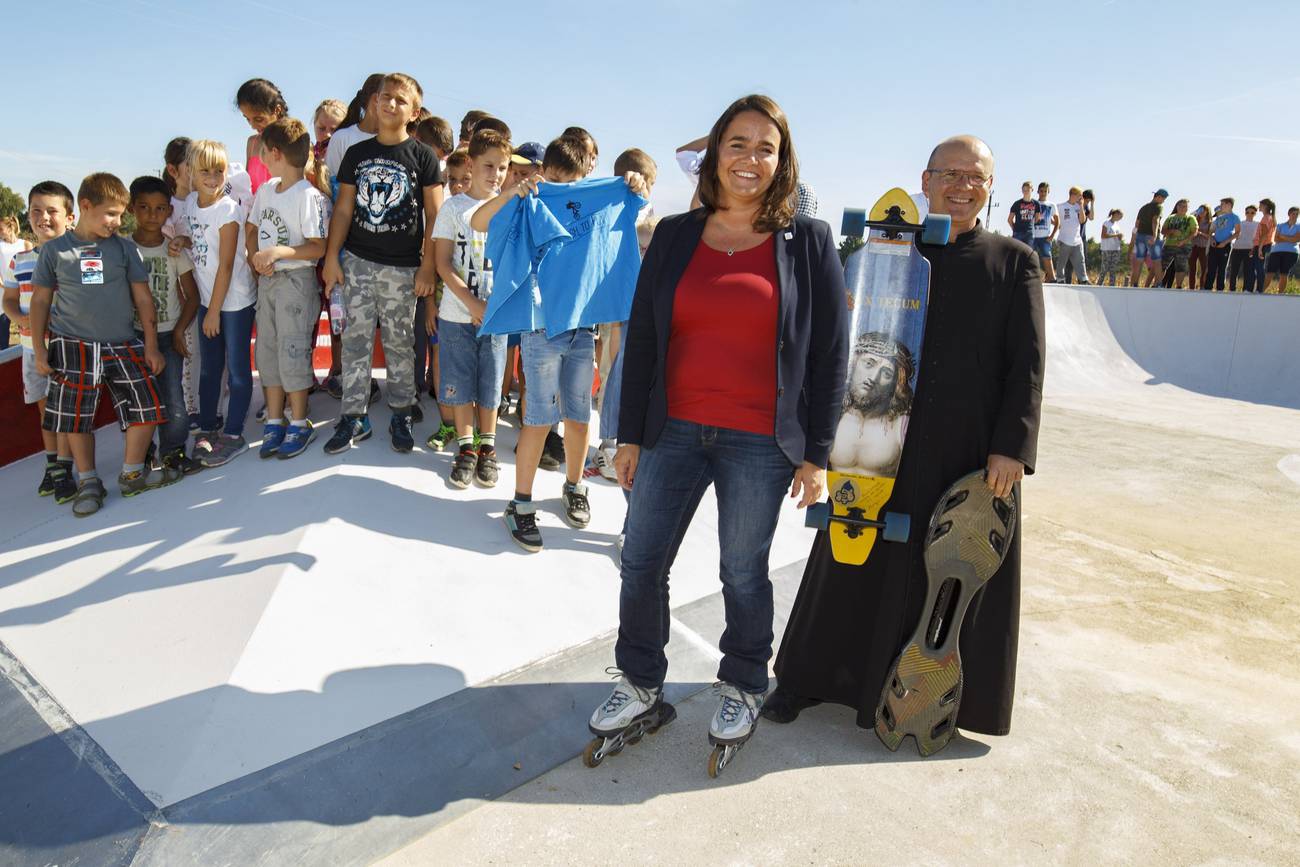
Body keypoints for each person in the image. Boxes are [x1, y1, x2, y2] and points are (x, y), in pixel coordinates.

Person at [586, 94, 849, 758]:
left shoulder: (808, 241)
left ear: (783, 161)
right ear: (715, 153)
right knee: (641, 561)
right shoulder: (676, 234)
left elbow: (829, 355)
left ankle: (743, 682)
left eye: (766, 147)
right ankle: (640, 681)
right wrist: (628, 435)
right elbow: (644, 341)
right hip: (672, 431)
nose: (750, 158)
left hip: (760, 441)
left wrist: (817, 454)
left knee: (742, 570)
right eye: (738, 144)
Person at [763, 133, 1045, 748]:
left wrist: (1012, 447)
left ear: (990, 187)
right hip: (879, 434)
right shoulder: (890, 250)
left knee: (945, 573)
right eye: (949, 174)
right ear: (926, 180)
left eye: (975, 177)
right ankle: (807, 679)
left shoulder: (1013, 260)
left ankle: (935, 697)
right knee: (849, 557)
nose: (962, 186)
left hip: (965, 446)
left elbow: (1027, 363)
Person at [469, 136, 607, 549]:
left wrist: (634, 185)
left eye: (571, 184)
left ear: (585, 177)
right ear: (544, 173)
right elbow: (479, 222)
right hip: (540, 329)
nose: (562, 191)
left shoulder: (592, 202)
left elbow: (631, 219)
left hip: (582, 328)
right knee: (539, 419)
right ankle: (520, 502)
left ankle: (575, 485)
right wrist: (513, 192)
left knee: (579, 416)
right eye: (555, 182)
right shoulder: (528, 199)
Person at [29, 173, 178, 516]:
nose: (117, 222)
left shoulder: (125, 249)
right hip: (72, 345)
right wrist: (39, 349)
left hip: (123, 342)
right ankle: (88, 481)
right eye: (110, 214)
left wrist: (151, 346)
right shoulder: (54, 251)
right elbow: (39, 302)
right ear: (85, 206)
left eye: (120, 215)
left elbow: (143, 299)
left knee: (147, 407)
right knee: (76, 418)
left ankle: (132, 474)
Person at [322, 72, 444, 455]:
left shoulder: (423, 157)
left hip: (403, 268)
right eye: (385, 96)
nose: (390, 104)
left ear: (414, 112)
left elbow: (435, 215)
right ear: (374, 101)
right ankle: (352, 416)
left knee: (400, 343)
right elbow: (343, 209)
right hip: (357, 263)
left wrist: (428, 267)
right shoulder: (357, 154)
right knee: (355, 341)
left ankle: (401, 412)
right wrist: (332, 257)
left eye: (400, 100)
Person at [429, 129, 511, 488]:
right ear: (471, 165)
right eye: (489, 166)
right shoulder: (453, 207)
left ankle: (487, 448)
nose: (496, 174)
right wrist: (472, 302)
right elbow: (442, 263)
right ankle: (465, 447)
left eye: (503, 168)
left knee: (491, 384)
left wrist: (493, 306)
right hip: (456, 315)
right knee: (459, 383)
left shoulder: (510, 208)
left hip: (496, 318)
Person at [246, 117, 331, 459]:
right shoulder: (266, 190)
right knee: (267, 352)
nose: (261, 158)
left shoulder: (308, 196)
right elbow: (252, 228)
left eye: (263, 152)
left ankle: (299, 421)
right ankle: (275, 420)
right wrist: (255, 257)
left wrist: (279, 252)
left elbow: (317, 247)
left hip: (296, 283)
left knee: (292, 350)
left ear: (275, 153)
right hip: (268, 283)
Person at [170, 140, 258, 467]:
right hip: (210, 301)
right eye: (204, 171)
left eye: (218, 171)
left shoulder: (229, 210)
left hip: (233, 302)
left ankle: (233, 435)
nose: (212, 177)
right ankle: (207, 428)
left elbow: (226, 265)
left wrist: (213, 312)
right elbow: (200, 240)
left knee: (237, 370)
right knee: (209, 370)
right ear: (191, 173)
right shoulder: (192, 203)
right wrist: (183, 240)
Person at [1, 182, 75, 501]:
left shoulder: (76, 256)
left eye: (51, 210)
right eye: (36, 210)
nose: (43, 217)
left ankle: (67, 468)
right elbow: (9, 300)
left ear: (70, 218)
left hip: (68, 349)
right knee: (46, 411)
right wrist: (20, 320)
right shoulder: (19, 260)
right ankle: (53, 464)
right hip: (32, 350)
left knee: (67, 412)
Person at [127, 176, 201, 474]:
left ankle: (173, 452)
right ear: (131, 208)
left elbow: (192, 297)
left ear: (169, 211)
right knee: (137, 400)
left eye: (160, 208)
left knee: (173, 399)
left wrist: (180, 330)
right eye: (144, 207)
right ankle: (143, 453)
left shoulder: (174, 250)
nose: (152, 215)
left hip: (169, 335)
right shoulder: (122, 249)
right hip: (130, 337)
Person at [235, 78, 289, 194]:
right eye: (247, 119)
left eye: (259, 119)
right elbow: (247, 189)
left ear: (277, 110)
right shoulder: (252, 143)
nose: (253, 126)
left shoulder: (292, 141)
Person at [0, 216, 33, 350]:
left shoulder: (25, 244)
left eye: (1, 229)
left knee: (26, 323)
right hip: (4, 290)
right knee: (3, 326)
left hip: (24, 290)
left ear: (10, 228)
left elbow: (31, 266)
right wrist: (5, 285)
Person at [1131, 189, 1167, 287]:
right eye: (1163, 198)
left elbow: (1137, 223)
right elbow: (1155, 220)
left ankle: (1135, 285)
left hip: (1140, 236)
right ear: (1158, 197)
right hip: (1151, 236)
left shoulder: (1143, 208)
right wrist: (1154, 235)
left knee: (1139, 261)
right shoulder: (1158, 207)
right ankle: (1159, 285)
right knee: (1157, 261)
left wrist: (1135, 236)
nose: (1164, 201)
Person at [1159, 199, 1198, 289]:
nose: (1183, 208)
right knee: (1162, 265)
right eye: (1181, 206)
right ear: (1177, 206)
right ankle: (1158, 284)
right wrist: (1171, 231)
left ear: (1188, 208)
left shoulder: (1191, 218)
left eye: (1185, 206)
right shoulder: (1171, 217)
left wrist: (1184, 241)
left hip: (1184, 246)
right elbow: (1163, 231)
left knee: (1180, 267)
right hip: (1169, 245)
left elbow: (1194, 232)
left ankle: (1179, 286)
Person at [1054, 186, 1089, 284]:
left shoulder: (1079, 207)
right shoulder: (1060, 206)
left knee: (1081, 261)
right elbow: (1053, 219)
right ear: (1073, 194)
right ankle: (1060, 279)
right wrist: (1057, 224)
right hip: (1064, 240)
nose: (1081, 197)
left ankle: (1083, 279)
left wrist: (1081, 206)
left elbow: (1082, 220)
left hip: (1077, 241)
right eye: (1079, 195)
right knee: (1062, 262)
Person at [1262, 206, 1299, 294]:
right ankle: (1261, 292)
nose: (1295, 216)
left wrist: (1282, 236)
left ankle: (1280, 294)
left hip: (1291, 253)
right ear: (1289, 214)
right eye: (1293, 214)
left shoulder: (1299, 226)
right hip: (1276, 252)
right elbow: (1276, 239)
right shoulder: (1280, 225)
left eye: (1297, 214)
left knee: (1284, 274)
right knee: (1269, 273)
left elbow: (1296, 239)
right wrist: (1290, 238)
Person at [1205, 198, 1240, 291]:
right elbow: (1211, 231)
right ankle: (1207, 289)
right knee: (1211, 268)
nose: (1220, 206)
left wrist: (1225, 242)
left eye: (1222, 204)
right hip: (1214, 244)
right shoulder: (1219, 217)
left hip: (1225, 245)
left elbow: (1237, 232)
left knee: (1222, 268)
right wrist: (1212, 239)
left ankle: (1220, 289)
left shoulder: (1235, 217)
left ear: (1229, 205)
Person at [1228, 204, 1259, 292]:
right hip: (1237, 248)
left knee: (1247, 271)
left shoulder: (1257, 224)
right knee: (1234, 270)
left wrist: (1254, 249)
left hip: (1249, 249)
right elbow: (1234, 234)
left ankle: (1245, 290)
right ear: (1245, 213)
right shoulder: (1240, 223)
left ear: (1255, 214)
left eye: (1252, 212)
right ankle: (1232, 289)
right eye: (1247, 212)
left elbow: (1258, 238)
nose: (1249, 214)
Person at [1031, 182, 1057, 282]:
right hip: (1033, 236)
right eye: (1041, 191)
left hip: (1045, 237)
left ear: (1048, 192)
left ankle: (1052, 278)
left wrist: (1052, 235)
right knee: (1030, 257)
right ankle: (1032, 277)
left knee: (1047, 257)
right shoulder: (1033, 203)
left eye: (1045, 191)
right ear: (1038, 191)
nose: (1043, 193)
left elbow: (1057, 221)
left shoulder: (1051, 205)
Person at [1250, 198, 1276, 294]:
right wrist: (1254, 247)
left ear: (1265, 206)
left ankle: (1259, 289)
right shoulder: (1270, 217)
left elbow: (1264, 234)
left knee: (1259, 268)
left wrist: (1260, 248)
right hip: (1262, 245)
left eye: (1260, 205)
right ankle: (1257, 289)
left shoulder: (1266, 218)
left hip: (1263, 245)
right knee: (1257, 267)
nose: (1259, 207)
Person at [1006, 182, 1039, 248]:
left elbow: (1037, 219)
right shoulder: (1017, 203)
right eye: (1024, 190)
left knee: (1028, 252)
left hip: (1029, 234)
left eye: (1028, 190)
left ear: (1032, 190)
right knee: (1016, 252)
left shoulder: (1036, 204)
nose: (1026, 192)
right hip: (1018, 233)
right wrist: (1014, 229)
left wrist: (1030, 227)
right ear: (1022, 190)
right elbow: (1009, 219)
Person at [1189, 204, 1212, 290]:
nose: (1201, 212)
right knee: (1192, 268)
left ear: (1207, 212)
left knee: (1204, 268)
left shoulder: (1210, 223)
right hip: (1193, 246)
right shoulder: (1194, 220)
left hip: (1204, 247)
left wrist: (1200, 233)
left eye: (1203, 210)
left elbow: (1210, 236)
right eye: (1200, 210)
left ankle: (1202, 286)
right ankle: (1192, 287)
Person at [1099, 209, 1124, 286]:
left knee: (1113, 269)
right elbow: (1103, 235)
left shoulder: (1117, 225)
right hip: (1107, 249)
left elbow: (1117, 237)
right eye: (1120, 216)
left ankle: (1112, 285)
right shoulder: (1106, 223)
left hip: (1116, 249)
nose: (1120, 218)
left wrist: (1120, 237)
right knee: (1104, 268)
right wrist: (1116, 235)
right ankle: (1099, 284)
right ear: (1115, 214)